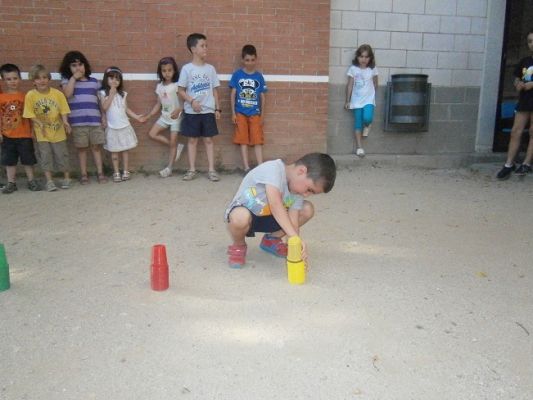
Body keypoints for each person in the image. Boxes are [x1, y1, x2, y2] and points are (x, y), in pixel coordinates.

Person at [224, 152, 336, 269]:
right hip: (248, 215)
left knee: (307, 209)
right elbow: (275, 204)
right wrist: (294, 236)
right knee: (240, 217)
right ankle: (239, 246)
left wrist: (295, 248)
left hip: (272, 218)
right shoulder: (273, 169)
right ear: (301, 171)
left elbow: (293, 223)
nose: (306, 195)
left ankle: (272, 239)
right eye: (309, 189)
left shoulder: (297, 192)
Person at [177, 33, 221, 182]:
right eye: (202, 46)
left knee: (208, 140)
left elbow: (215, 90)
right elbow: (180, 90)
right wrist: (192, 101)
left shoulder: (210, 69)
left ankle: (211, 170)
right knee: (192, 141)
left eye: (206, 45)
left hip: (208, 111)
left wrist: (217, 108)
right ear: (193, 49)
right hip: (192, 111)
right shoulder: (187, 69)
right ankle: (191, 170)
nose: (205, 48)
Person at [59, 50, 107, 184]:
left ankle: (100, 172)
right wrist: (73, 78)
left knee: (96, 147)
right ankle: (84, 174)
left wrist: (103, 117)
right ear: (68, 68)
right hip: (78, 122)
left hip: (94, 121)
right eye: (74, 65)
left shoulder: (94, 82)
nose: (78, 68)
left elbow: (100, 102)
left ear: (85, 65)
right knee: (81, 149)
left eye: (80, 64)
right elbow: (67, 95)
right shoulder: (67, 81)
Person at [23, 65, 71, 192]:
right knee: (45, 157)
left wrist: (65, 121)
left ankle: (66, 177)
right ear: (33, 81)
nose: (42, 81)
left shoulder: (57, 94)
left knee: (62, 155)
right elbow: (29, 113)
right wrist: (39, 123)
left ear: (49, 79)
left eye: (44, 77)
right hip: (42, 133)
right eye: (38, 78)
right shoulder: (30, 95)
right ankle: (49, 181)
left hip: (58, 131)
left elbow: (64, 109)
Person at [497, 29, 533, 180]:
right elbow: (516, 77)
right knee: (515, 131)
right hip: (525, 100)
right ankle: (509, 164)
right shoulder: (525, 61)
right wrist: (518, 83)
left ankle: (527, 163)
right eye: (530, 41)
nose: (532, 44)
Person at [0, 63, 41, 194]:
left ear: (20, 78)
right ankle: (11, 183)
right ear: (3, 80)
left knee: (28, 159)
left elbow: (31, 116)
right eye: (8, 79)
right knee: (9, 161)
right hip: (7, 135)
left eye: (15, 78)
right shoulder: (1, 98)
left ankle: (31, 181)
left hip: (24, 135)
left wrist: (33, 131)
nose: (12, 81)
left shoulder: (26, 97)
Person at [99, 67, 143, 183]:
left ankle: (126, 171)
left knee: (125, 150)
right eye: (111, 78)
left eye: (117, 79)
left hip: (124, 126)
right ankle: (116, 172)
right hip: (112, 127)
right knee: (114, 152)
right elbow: (104, 107)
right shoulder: (103, 93)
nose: (114, 81)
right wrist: (111, 94)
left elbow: (126, 109)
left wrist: (137, 117)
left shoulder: (123, 94)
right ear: (106, 79)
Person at [229, 44, 268, 173]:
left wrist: (262, 115)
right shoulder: (237, 75)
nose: (250, 63)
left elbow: (262, 97)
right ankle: (246, 167)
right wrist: (233, 113)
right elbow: (233, 94)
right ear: (242, 60)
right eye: (247, 60)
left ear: (256, 59)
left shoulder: (259, 77)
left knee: (257, 140)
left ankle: (261, 167)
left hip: (255, 113)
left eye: (252, 60)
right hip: (240, 113)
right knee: (243, 140)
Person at [144, 57, 185, 178]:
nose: (167, 73)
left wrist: (179, 109)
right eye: (164, 70)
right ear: (160, 72)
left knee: (173, 140)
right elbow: (158, 104)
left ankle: (169, 168)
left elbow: (183, 101)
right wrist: (149, 115)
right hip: (164, 117)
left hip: (176, 118)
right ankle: (176, 146)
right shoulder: (159, 87)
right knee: (152, 134)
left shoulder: (177, 85)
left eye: (169, 70)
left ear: (174, 70)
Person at [344, 44, 378, 157]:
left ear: (370, 58)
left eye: (366, 57)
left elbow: (375, 83)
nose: (364, 59)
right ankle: (359, 147)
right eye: (361, 56)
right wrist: (347, 101)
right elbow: (349, 85)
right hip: (356, 101)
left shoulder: (372, 69)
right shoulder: (353, 69)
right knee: (358, 122)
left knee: (367, 118)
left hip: (368, 100)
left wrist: (371, 95)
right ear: (357, 57)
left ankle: (367, 125)